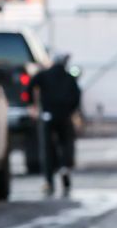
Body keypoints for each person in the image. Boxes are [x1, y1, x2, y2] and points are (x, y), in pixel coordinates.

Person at [30, 53, 82, 196]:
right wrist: (70, 110)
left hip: (47, 116)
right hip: (64, 117)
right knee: (66, 144)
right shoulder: (69, 78)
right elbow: (77, 96)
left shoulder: (44, 75)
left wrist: (31, 104)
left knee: (46, 149)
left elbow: (30, 85)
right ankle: (64, 167)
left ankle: (49, 181)